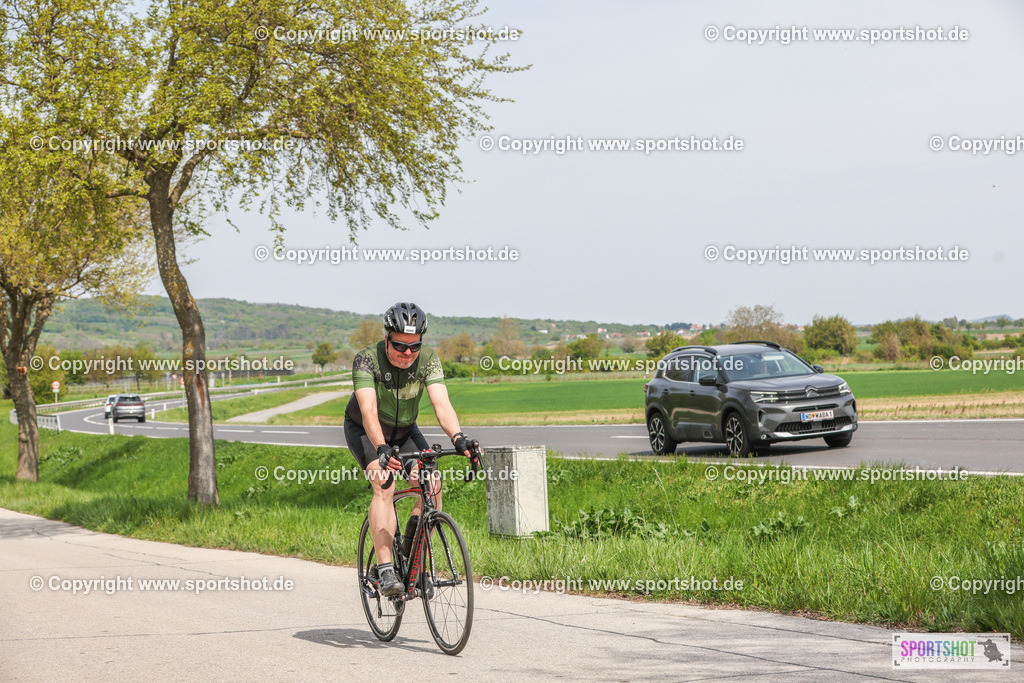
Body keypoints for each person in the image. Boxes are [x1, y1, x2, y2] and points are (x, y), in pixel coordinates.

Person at [344, 302, 480, 597]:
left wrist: (459, 438)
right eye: (400, 347)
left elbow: (442, 405)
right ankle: (385, 569)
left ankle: (411, 557)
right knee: (384, 483)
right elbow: (368, 411)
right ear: (386, 339)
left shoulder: (428, 360)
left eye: (414, 347)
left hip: (405, 430)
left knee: (432, 485)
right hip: (367, 431)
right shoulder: (367, 360)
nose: (407, 354)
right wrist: (381, 448)